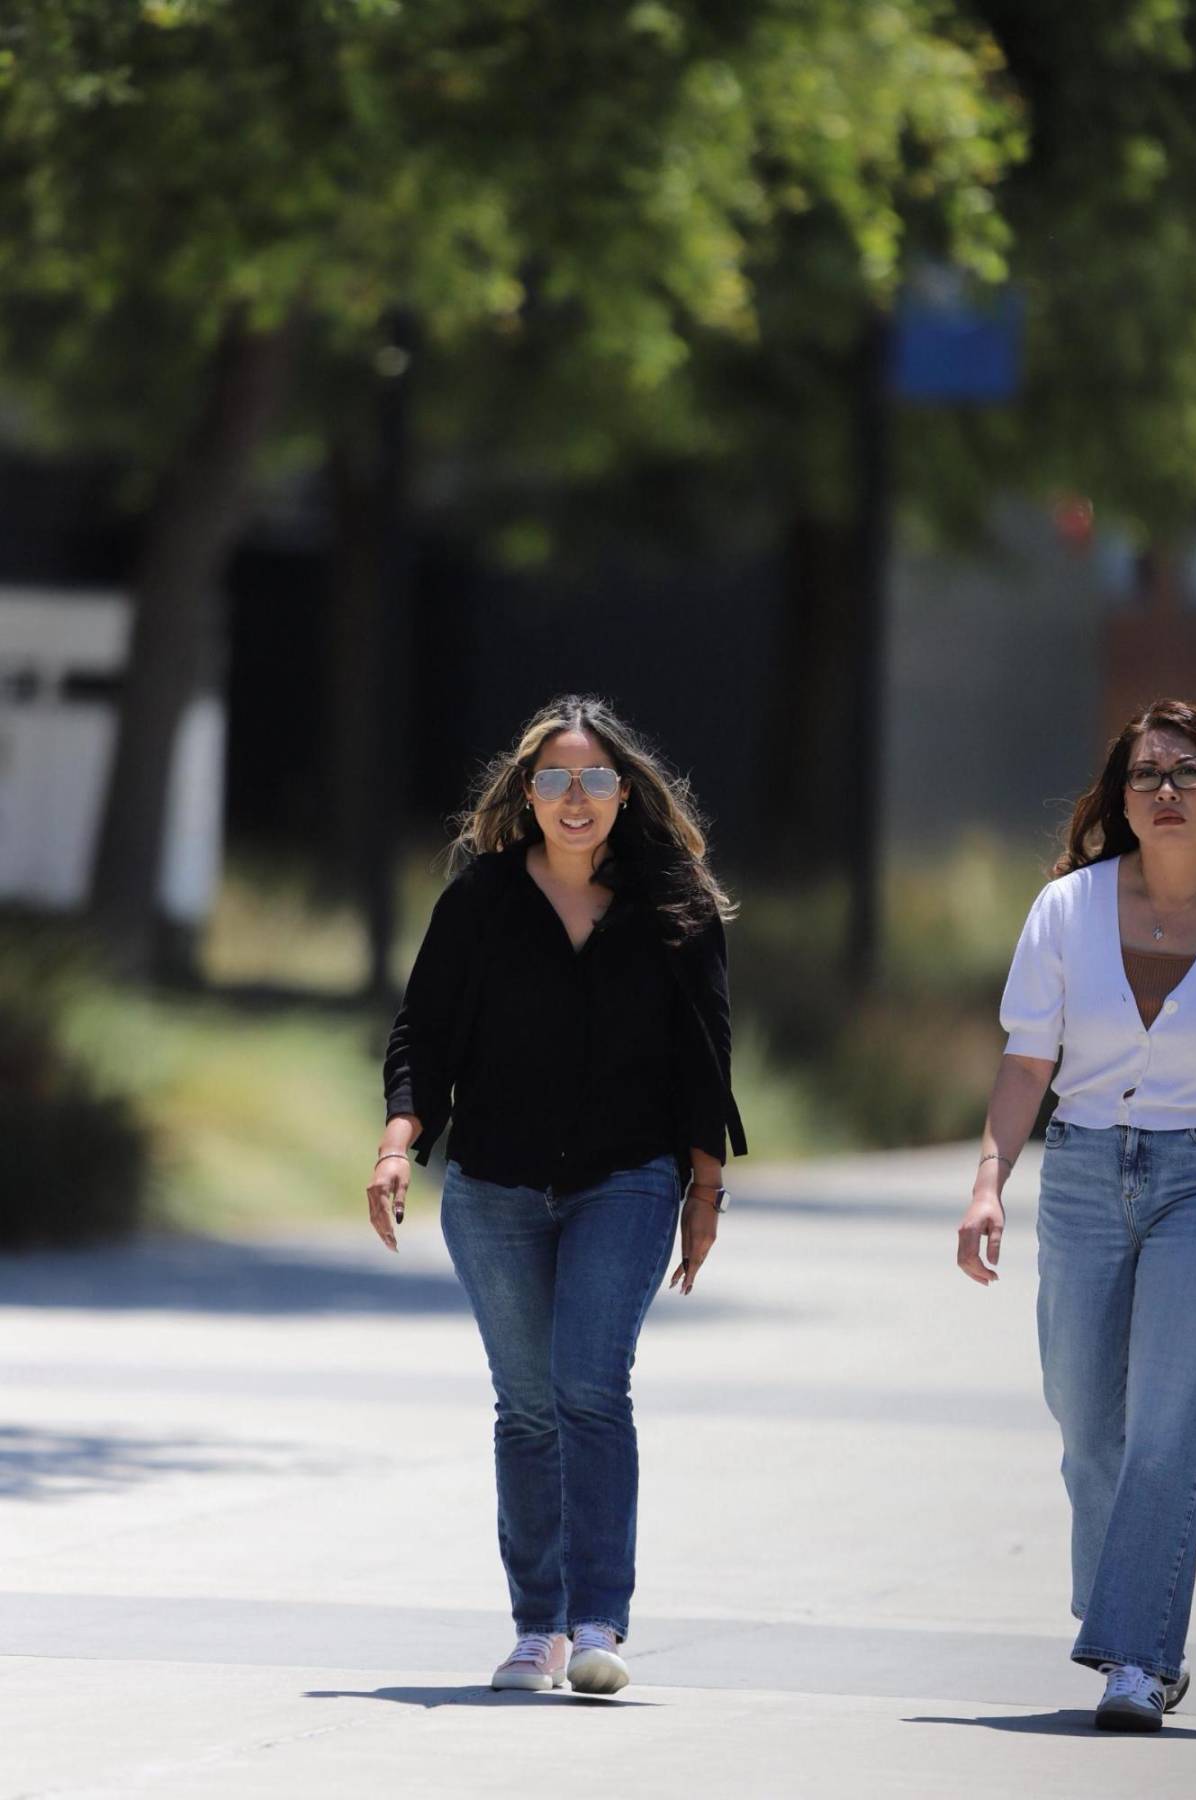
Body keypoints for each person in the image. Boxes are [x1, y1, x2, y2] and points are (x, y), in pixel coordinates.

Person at [366, 694, 745, 1697]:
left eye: (594, 781)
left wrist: (705, 1188)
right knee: (526, 1408)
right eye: (554, 780)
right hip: (492, 1185)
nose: (574, 799)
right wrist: (398, 1145)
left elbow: (708, 1059)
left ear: (626, 794)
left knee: (589, 1388)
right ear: (526, 794)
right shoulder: (481, 899)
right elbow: (423, 1034)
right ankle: (535, 1629)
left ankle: (596, 1622)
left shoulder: (677, 904)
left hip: (626, 1179)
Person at [958, 697, 1196, 1732]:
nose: (1167, 792)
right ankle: (1122, 1606)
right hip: (1089, 1175)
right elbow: (1027, 1062)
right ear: (1120, 797)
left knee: (1165, 1422)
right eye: (1147, 775)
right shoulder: (1067, 908)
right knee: (1085, 1417)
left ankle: (1138, 1656)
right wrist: (986, 1183)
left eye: (1188, 773)